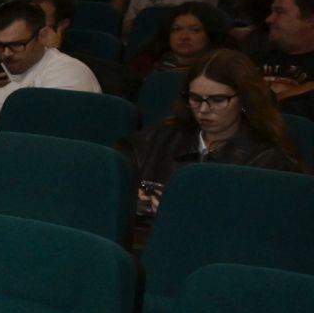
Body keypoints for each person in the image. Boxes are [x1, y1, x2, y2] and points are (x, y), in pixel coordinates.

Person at [119, 49, 303, 240]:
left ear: (245, 100)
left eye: (218, 100)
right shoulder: (156, 139)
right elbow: (113, 191)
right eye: (195, 98)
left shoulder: (270, 161)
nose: (204, 110)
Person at [0, 0, 102, 128]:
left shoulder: (70, 73)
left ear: (42, 36)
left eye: (16, 44)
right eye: (0, 45)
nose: (6, 53)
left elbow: (48, 132)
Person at [247, 0, 314, 117]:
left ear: (309, 20)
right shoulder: (253, 56)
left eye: (280, 12)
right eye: (272, 12)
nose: (269, 19)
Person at [130, 1, 233, 78]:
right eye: (177, 29)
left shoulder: (223, 70)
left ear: (211, 34)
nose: (184, 37)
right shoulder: (146, 64)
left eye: (195, 30)